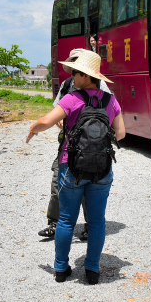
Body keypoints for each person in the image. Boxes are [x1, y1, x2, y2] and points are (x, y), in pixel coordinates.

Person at [26, 50, 125, 285]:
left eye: (74, 72)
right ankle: (92, 270)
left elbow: (46, 122)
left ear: (84, 76)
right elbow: (120, 133)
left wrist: (33, 129)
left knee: (67, 220)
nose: (70, 75)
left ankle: (61, 269)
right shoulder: (110, 100)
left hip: (70, 166)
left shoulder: (72, 99)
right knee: (98, 220)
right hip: (102, 168)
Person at [37, 49, 111, 241]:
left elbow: (109, 113)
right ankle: (54, 223)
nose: (72, 72)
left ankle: (89, 225)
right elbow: (57, 111)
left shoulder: (101, 86)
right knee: (57, 183)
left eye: (75, 68)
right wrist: (60, 121)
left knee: (88, 184)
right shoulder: (68, 84)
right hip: (68, 145)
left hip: (92, 148)